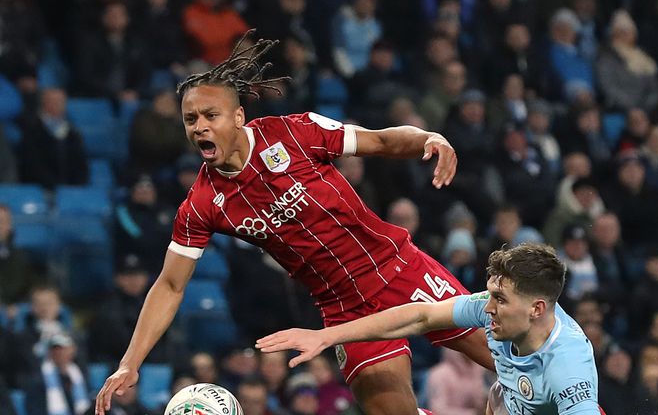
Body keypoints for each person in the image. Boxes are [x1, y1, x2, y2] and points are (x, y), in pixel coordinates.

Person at [94, 30, 491, 415]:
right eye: (190, 118)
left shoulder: (295, 132)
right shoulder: (201, 205)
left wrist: (428, 138)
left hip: (399, 268)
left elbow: (382, 141)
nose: (199, 126)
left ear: (237, 116)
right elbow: (170, 284)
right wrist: (130, 362)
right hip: (344, 311)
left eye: (210, 115)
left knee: (513, 359)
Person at [257, 244, 602, 415]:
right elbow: (420, 316)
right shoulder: (499, 311)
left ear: (536, 309)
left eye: (499, 299)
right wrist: (327, 335)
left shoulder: (568, 373)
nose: (487, 308)